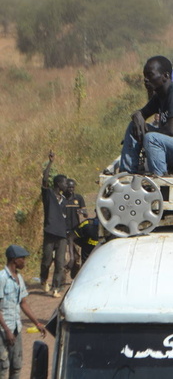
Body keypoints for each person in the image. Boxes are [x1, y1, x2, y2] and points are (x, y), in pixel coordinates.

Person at [0, 245, 46, 379]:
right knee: (3, 367)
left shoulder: (19, 278)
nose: (24, 262)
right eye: (22, 259)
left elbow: (23, 303)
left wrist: (37, 323)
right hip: (3, 330)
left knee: (17, 365)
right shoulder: (2, 278)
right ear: (14, 260)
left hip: (16, 328)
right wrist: (7, 330)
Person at [40, 152, 68, 297]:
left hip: (61, 234)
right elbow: (44, 180)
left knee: (60, 263)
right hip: (50, 232)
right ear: (58, 184)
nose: (66, 184)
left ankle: (56, 288)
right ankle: (43, 279)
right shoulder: (48, 195)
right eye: (64, 182)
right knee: (46, 260)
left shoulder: (64, 200)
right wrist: (50, 163)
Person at [64, 179, 87, 278]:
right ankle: (62, 278)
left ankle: (74, 277)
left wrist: (82, 212)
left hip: (75, 231)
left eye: (72, 187)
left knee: (76, 256)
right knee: (64, 257)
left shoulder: (78, 198)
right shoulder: (62, 199)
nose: (71, 190)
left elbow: (85, 213)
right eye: (69, 187)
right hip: (64, 230)